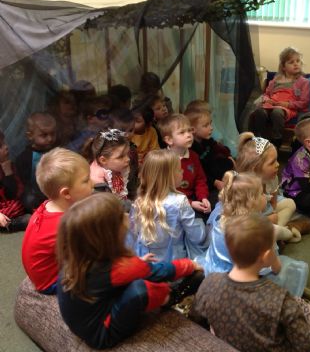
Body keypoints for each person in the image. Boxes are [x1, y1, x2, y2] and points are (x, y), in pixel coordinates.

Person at [190, 212, 310, 352]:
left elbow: (196, 320)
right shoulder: (281, 300)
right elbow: (305, 348)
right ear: (267, 256)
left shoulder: (209, 283)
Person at [57, 193, 201, 350]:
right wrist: (190, 265)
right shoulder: (117, 268)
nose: (127, 216)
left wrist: (137, 265)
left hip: (85, 321)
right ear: (110, 234)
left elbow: (117, 273)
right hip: (102, 334)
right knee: (141, 289)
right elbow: (160, 271)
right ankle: (173, 297)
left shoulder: (78, 259)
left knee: (137, 276)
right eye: (121, 216)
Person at [202, 170, 307, 297]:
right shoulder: (257, 231)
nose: (265, 196)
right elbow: (270, 266)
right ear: (251, 202)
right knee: (290, 270)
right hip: (240, 283)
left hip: (214, 273)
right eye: (262, 193)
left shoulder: (221, 221)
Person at [21, 148, 93, 293]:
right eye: (86, 181)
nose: (93, 183)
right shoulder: (68, 225)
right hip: (51, 282)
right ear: (66, 193)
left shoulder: (48, 205)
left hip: (41, 272)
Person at [130, 149, 206, 261]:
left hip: (145, 261)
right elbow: (196, 237)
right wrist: (202, 225)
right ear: (168, 176)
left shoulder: (139, 201)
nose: (182, 171)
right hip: (173, 264)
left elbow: (132, 236)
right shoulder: (180, 201)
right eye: (179, 169)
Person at [236, 132, 305, 238]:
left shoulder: (272, 178)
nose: (278, 165)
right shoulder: (243, 187)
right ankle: (276, 233)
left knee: (290, 204)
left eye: (277, 160)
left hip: (265, 209)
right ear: (255, 168)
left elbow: (273, 201)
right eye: (272, 162)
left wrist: (272, 215)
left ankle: (275, 233)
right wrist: (268, 219)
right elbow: (243, 221)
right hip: (246, 222)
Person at [249, 47, 310, 149]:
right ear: (283, 67)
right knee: (259, 112)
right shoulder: (276, 80)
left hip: (286, 107)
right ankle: (261, 139)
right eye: (291, 62)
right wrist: (267, 99)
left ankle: (277, 139)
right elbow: (266, 94)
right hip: (270, 104)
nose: (296, 64)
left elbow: (304, 102)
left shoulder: (303, 82)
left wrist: (287, 104)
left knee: (277, 112)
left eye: (298, 61)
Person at [158, 114, 211, 217]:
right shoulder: (163, 160)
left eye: (189, 130)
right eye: (182, 132)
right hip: (170, 205)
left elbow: (200, 180)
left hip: (193, 199)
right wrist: (190, 203)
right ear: (169, 140)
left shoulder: (193, 156)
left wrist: (203, 198)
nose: (189, 135)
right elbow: (163, 191)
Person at [185, 108, 234, 202]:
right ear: (193, 130)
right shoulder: (192, 149)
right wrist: (215, 182)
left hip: (214, 171)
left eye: (210, 124)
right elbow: (200, 174)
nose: (211, 128)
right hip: (207, 181)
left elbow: (219, 150)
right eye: (206, 126)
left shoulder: (207, 141)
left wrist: (229, 157)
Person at [15, 112, 57, 212]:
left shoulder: (56, 151)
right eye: (44, 135)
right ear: (30, 136)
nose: (50, 139)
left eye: (52, 134)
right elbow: (23, 184)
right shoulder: (25, 158)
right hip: (35, 198)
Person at [83, 129, 131, 201]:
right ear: (103, 160)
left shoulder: (117, 167)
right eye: (121, 157)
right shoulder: (97, 184)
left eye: (127, 154)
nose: (128, 159)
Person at [0, 130, 29, 232]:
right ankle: (9, 225)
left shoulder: (10, 165)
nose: (6, 147)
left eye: (4, 143)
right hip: (3, 212)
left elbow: (14, 193)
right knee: (28, 220)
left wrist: (8, 173)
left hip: (11, 204)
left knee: (27, 201)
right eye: (0, 146)